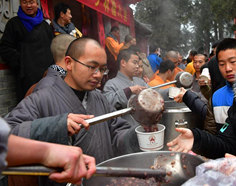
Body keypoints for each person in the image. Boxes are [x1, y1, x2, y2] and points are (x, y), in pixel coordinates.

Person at [5, 38, 139, 185]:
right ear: (69, 63)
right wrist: (55, 126)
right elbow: (9, 134)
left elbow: (117, 132)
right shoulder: (42, 97)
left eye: (102, 69)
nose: (98, 75)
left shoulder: (100, 98)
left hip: (102, 180)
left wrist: (139, 133)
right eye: (92, 67)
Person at [174, 38, 236, 135]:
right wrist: (197, 138)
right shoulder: (217, 96)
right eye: (222, 64)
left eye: (233, 62)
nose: (227, 68)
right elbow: (218, 132)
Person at [0, 118, 95, 185]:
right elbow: (11, 130)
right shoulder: (37, 98)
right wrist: (57, 125)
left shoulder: (97, 97)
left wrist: (48, 152)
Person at [0, 0, 54, 101]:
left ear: (37, 4)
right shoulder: (13, 24)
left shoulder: (45, 26)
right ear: (21, 4)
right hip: (26, 77)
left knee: (48, 104)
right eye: (25, 2)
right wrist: (21, 64)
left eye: (31, 2)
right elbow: (5, 48)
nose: (28, 5)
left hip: (46, 76)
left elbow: (52, 48)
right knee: (29, 107)